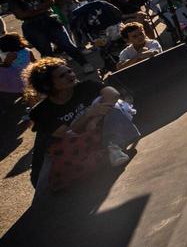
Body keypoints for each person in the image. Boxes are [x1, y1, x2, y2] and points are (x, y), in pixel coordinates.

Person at [24, 57, 140, 191]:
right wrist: (88, 114)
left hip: (95, 132)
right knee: (45, 186)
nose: (70, 75)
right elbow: (64, 133)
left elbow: (113, 94)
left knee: (115, 108)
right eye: (62, 76)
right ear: (47, 85)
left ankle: (112, 146)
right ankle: (99, 157)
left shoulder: (86, 86)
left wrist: (94, 120)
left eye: (69, 71)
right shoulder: (40, 111)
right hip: (68, 146)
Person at [8, 0, 91, 70]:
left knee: (66, 45)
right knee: (46, 52)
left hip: (50, 21)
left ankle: (85, 64)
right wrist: (41, 8)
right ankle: (55, 73)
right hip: (32, 26)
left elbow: (50, 2)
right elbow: (20, 15)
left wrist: (32, 10)